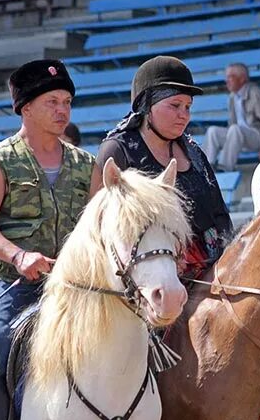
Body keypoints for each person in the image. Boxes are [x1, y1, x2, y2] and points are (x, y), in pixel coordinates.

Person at [0, 59, 102, 420]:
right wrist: (18, 254)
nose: (63, 111)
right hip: (13, 282)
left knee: (139, 335)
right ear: (25, 108)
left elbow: (100, 225)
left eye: (67, 102)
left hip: (76, 286)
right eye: (52, 102)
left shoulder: (88, 164)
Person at [98, 55, 232, 279]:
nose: (184, 115)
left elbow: (221, 216)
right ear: (146, 106)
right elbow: (101, 229)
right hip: (149, 278)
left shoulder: (194, 152)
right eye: (175, 105)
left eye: (188, 107)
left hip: (213, 272)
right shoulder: (118, 152)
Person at [203, 63, 260, 171]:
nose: (227, 81)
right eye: (226, 77)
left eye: (231, 77)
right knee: (213, 131)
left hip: (258, 136)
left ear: (242, 79)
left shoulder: (255, 93)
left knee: (235, 129)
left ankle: (224, 168)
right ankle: (206, 169)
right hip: (239, 137)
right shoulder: (232, 97)